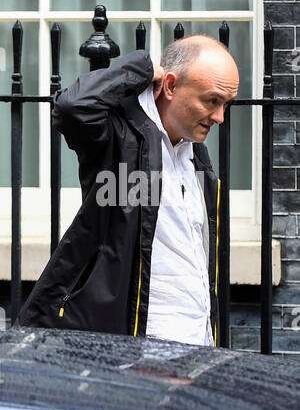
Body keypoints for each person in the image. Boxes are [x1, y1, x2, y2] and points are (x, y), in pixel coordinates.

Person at [18, 34, 239, 347]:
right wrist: (141, 68)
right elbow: (71, 107)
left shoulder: (196, 154)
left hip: (198, 340)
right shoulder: (119, 136)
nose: (220, 117)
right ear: (172, 86)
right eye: (212, 101)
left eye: (225, 104)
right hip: (143, 345)